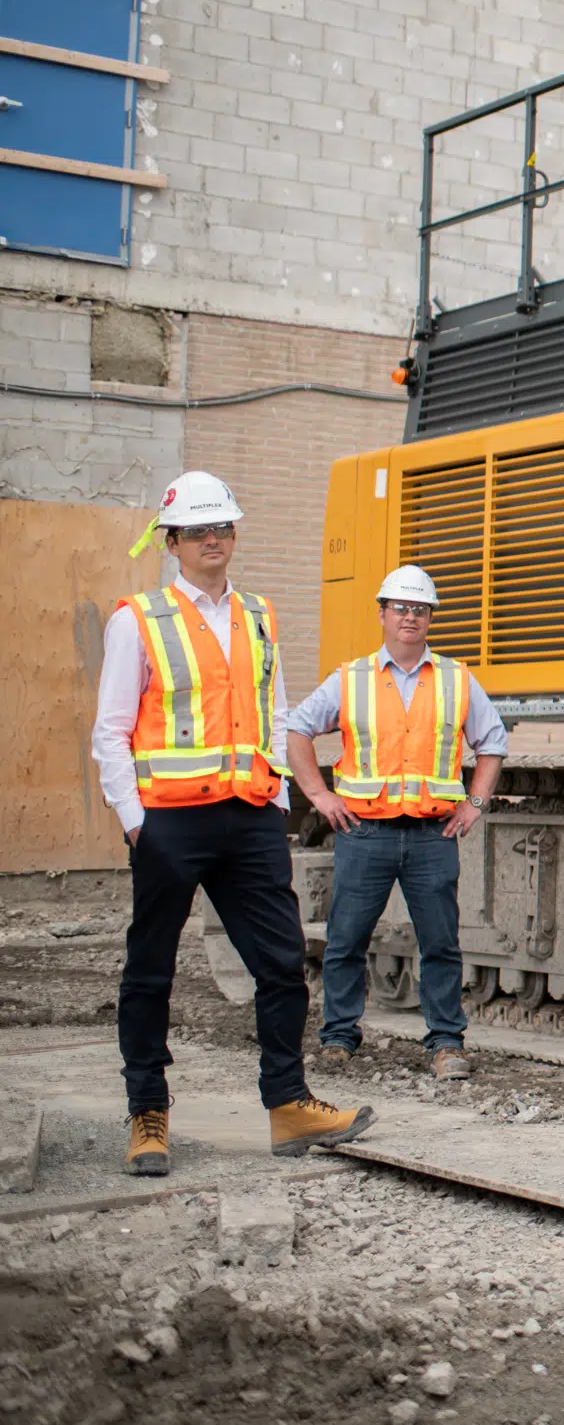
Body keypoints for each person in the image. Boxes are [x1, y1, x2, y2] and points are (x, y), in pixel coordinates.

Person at [91, 470, 374, 1175]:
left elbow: (275, 710)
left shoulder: (257, 614)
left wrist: (277, 797)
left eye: (223, 527)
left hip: (249, 818)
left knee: (281, 965)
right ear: (174, 540)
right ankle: (147, 1111)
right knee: (151, 970)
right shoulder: (138, 619)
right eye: (199, 530)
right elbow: (111, 730)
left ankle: (287, 1103)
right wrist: (135, 820)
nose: (214, 539)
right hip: (169, 823)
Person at [284, 565, 506, 1081]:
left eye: (420, 610)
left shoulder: (456, 679)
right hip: (365, 833)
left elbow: (492, 742)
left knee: (441, 944)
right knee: (345, 940)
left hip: (432, 836)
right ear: (382, 614)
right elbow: (297, 728)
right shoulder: (351, 679)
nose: (411, 617)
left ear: (429, 619)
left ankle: (446, 1043)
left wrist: (475, 802)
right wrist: (317, 794)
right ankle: (339, 1038)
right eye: (402, 608)